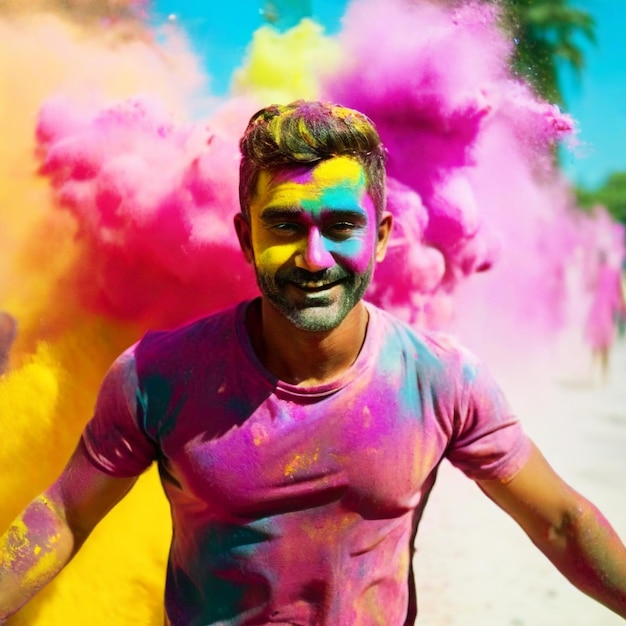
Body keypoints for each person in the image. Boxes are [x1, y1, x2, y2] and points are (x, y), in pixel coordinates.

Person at [1, 100, 625, 625]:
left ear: (380, 236)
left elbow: (563, 524)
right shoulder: (156, 376)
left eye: (341, 225)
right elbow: (61, 515)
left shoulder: (440, 379)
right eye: (285, 227)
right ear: (246, 237)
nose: (315, 257)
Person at [585, 249, 626, 384]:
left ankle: (593, 374)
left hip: (596, 313)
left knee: (596, 346)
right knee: (606, 346)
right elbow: (621, 297)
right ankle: (604, 375)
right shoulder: (616, 273)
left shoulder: (597, 271)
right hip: (607, 314)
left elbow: (589, 287)